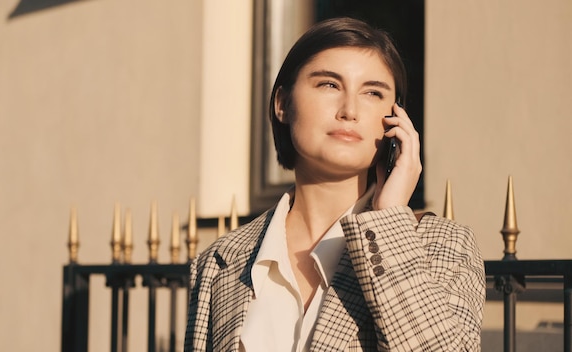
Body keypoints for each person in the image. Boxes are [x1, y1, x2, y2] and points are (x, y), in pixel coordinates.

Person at [185, 17, 484, 352]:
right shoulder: (219, 262)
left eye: (372, 92)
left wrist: (389, 220)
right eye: (329, 84)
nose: (350, 110)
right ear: (282, 103)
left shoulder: (442, 246)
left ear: (394, 119)